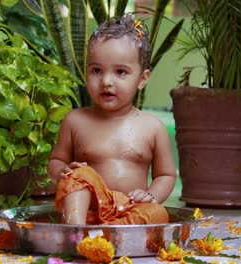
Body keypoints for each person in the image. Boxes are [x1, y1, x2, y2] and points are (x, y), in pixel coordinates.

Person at [47, 14, 176, 225]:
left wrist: (151, 196)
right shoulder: (75, 121)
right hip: (86, 212)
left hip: (130, 209)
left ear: (142, 79)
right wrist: (62, 171)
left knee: (157, 214)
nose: (106, 81)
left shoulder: (152, 128)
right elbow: (55, 162)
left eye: (120, 72)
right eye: (96, 70)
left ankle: (107, 233)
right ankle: (77, 231)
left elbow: (166, 175)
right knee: (79, 175)